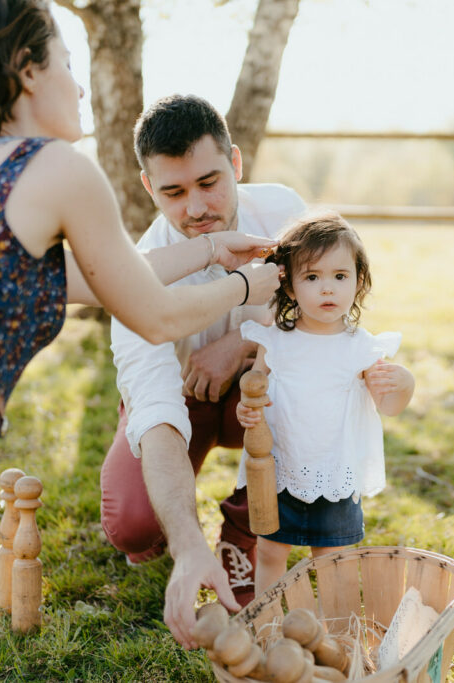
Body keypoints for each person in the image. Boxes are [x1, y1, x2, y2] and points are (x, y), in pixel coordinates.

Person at [0, 1, 281, 679]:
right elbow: (153, 313)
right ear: (27, 70)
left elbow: (105, 278)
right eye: (68, 64)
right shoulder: (54, 167)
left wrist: (214, 246)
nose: (78, 88)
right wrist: (250, 285)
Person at [100, 94, 307, 648]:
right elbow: (157, 412)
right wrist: (186, 542)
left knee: (308, 385)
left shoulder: (287, 213)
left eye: (210, 182)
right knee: (132, 527)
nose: (196, 207)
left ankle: (245, 531)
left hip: (258, 397)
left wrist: (239, 343)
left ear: (236, 164)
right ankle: (180, 541)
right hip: (178, 402)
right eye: (174, 192)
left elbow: (324, 325)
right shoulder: (138, 271)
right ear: (149, 189)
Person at [235, 212, 416, 594]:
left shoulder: (361, 348)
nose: (327, 289)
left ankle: (339, 632)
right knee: (269, 553)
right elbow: (255, 394)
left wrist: (405, 385)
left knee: (335, 564)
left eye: (340, 276)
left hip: (334, 473)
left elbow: (389, 406)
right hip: (280, 470)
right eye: (312, 277)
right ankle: (266, 624)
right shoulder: (276, 342)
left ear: (358, 280)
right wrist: (246, 410)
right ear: (288, 286)